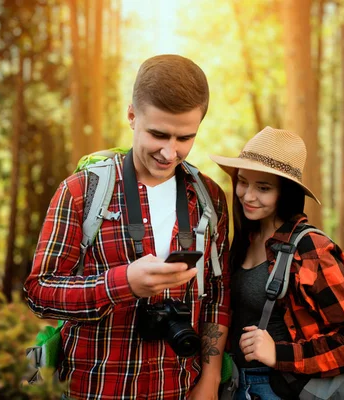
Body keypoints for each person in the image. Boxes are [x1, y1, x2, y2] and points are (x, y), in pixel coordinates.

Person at [24, 55, 230, 400]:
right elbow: (39, 293)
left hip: (178, 389)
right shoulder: (80, 192)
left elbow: (217, 295)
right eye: (158, 134)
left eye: (185, 138)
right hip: (94, 389)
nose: (170, 152)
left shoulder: (209, 197)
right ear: (132, 115)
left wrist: (209, 379)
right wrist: (123, 284)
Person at [210, 127, 344, 400]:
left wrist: (278, 353)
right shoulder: (245, 237)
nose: (247, 195)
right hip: (236, 385)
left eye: (264, 188)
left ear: (286, 193)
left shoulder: (311, 249)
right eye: (243, 182)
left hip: (282, 389)